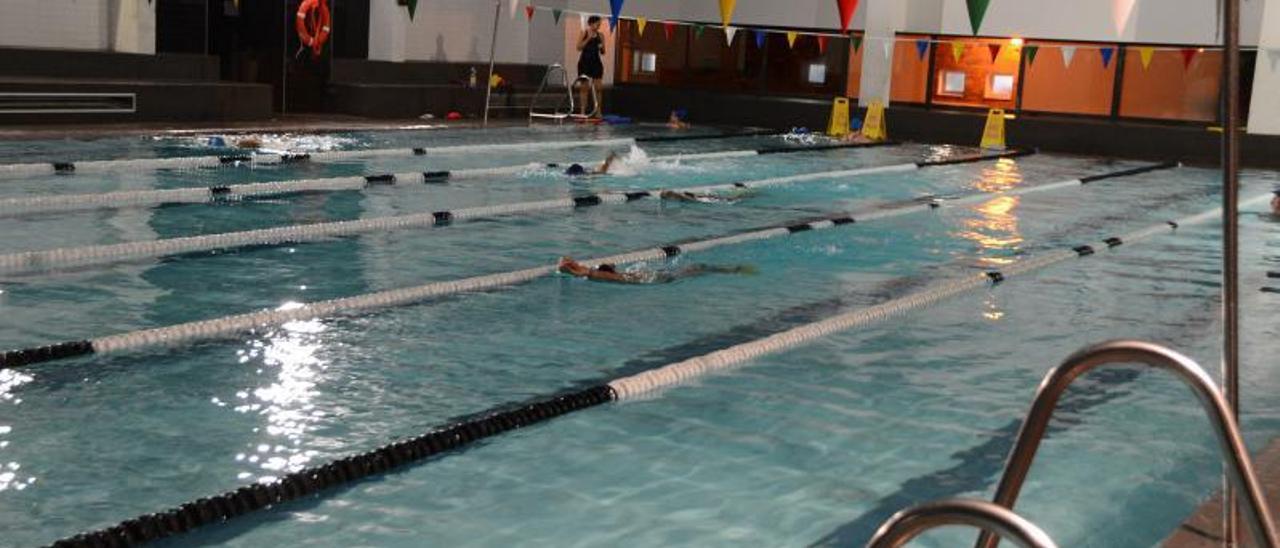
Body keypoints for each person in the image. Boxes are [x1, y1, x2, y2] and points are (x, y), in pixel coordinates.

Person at [557, 257, 756, 285]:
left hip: (659, 278)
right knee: (699, 268)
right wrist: (573, 271)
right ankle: (732, 271)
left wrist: (572, 265)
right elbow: (592, 273)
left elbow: (590, 271)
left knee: (699, 267)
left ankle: (732, 270)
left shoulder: (624, 275)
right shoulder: (619, 277)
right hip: (662, 280)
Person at [575, 16, 606, 118]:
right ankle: (583, 111)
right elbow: (578, 47)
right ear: (591, 23)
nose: (599, 26)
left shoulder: (600, 35)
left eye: (599, 24)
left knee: (598, 88)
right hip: (585, 62)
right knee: (584, 88)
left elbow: (603, 52)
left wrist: (601, 48)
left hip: (596, 63)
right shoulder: (584, 33)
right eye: (597, 23)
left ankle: (598, 110)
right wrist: (588, 38)